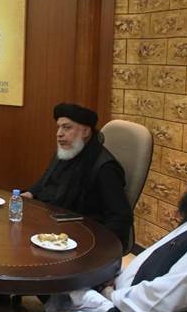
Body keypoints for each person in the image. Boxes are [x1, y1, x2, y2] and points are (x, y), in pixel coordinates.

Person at [32, 118, 187, 312]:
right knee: (55, 294)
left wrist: (107, 293)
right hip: (120, 293)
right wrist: (114, 278)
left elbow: (154, 303)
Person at [22, 103, 132, 249]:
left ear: (86, 131)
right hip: (53, 225)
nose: (59, 134)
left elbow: (120, 218)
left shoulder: (104, 168)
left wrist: (97, 249)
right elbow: (47, 180)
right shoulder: (67, 151)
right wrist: (30, 193)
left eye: (67, 127)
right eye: (59, 127)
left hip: (82, 238)